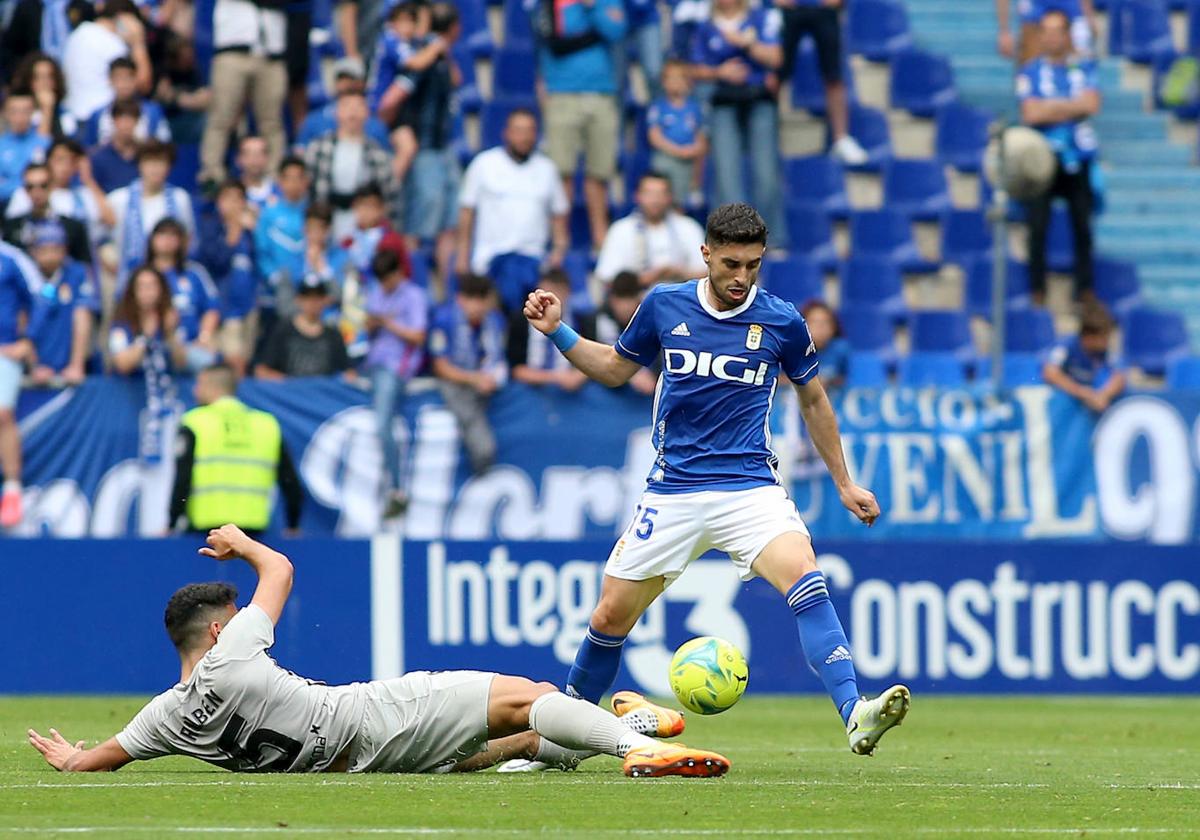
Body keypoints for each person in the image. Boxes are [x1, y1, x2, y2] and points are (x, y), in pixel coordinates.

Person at [512, 203, 908, 771]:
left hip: (749, 489)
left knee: (805, 576)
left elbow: (814, 399)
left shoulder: (781, 321)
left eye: (752, 265)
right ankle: (561, 741)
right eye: (730, 263)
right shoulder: (663, 305)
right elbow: (615, 369)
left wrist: (844, 483)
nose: (741, 277)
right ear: (706, 254)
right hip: (672, 491)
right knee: (607, 620)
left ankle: (855, 712)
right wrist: (559, 331)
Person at [27, 524, 729, 779]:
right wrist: (242, 545)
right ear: (216, 630)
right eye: (233, 615)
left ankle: (626, 725)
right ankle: (633, 748)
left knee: (515, 738)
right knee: (529, 694)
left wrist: (71, 758)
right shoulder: (233, 651)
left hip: (359, 765)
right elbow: (281, 573)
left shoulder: (165, 720)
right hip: (370, 717)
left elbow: (100, 758)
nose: (242, 619)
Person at [688, 0, 788, 249]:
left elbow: (776, 58)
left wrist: (748, 44)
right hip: (723, 100)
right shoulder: (705, 23)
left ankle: (772, 241)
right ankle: (730, 241)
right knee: (726, 174)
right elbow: (691, 68)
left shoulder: (761, 18)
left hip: (759, 98)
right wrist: (719, 73)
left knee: (766, 172)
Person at [1016, 9, 1100, 303]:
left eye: (1058, 31)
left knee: (1083, 228)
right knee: (1037, 227)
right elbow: (1029, 113)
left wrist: (1049, 108)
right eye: (1046, 31)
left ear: (1067, 35)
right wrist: (1070, 107)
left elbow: (1091, 104)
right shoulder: (1030, 71)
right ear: (1040, 36)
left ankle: (1084, 292)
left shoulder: (1084, 67)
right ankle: (1037, 290)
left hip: (1078, 158)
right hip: (1042, 160)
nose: (1052, 37)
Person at [532, 0, 626, 250]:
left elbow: (615, 31)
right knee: (562, 171)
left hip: (602, 93)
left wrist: (592, 7)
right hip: (562, 92)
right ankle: (561, 236)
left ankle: (600, 237)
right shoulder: (551, 3)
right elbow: (552, 39)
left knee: (599, 171)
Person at [456, 109, 570, 314]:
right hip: (490, 261)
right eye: (518, 130)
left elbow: (559, 215)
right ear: (506, 133)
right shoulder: (484, 164)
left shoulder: (547, 169)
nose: (524, 137)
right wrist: (463, 257)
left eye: (529, 131)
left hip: (534, 260)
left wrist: (558, 251)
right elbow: (467, 212)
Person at [169, 365, 303, 536]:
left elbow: (183, 478)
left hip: (205, 532)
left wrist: (172, 522)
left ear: (213, 387)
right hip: (253, 533)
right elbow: (290, 482)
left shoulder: (195, 422)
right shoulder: (267, 425)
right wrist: (293, 525)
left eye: (199, 384)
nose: (195, 390)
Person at [394, 2, 461, 276]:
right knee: (419, 222)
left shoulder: (441, 57)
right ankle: (415, 280)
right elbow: (395, 96)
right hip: (423, 147)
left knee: (450, 221)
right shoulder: (417, 53)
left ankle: (447, 287)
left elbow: (457, 79)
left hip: (442, 147)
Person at [365, 248, 428, 518]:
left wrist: (388, 323)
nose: (385, 285)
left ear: (399, 272)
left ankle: (397, 489)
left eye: (388, 279)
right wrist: (372, 323)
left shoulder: (414, 296)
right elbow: (367, 330)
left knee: (382, 424)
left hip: (395, 368)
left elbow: (418, 336)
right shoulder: (376, 292)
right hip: (370, 364)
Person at [199, 0, 287, 186]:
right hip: (232, 50)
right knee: (221, 117)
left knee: (271, 122)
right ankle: (212, 175)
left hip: (271, 52)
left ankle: (274, 177)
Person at [429, 272, 507, 475]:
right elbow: (440, 366)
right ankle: (483, 457)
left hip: (485, 384)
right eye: (472, 299)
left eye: (482, 299)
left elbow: (498, 360)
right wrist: (474, 379)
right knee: (479, 438)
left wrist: (491, 378)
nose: (478, 306)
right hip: (455, 382)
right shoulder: (444, 319)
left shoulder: (494, 321)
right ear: (460, 299)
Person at [774, 0, 867, 166]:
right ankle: (767, 137)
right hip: (790, 10)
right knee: (777, 74)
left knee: (834, 75)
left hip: (823, 8)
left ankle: (841, 139)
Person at [304, 91, 395, 239]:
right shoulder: (317, 149)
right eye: (347, 106)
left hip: (364, 226)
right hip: (326, 222)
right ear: (336, 112)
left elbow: (389, 197)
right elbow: (307, 190)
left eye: (358, 106)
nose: (352, 112)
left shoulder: (378, 154)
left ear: (367, 113)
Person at [594, 172, 707, 289]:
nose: (655, 200)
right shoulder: (620, 230)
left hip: (681, 300)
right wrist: (646, 278)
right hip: (636, 302)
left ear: (670, 197)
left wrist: (679, 273)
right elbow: (607, 277)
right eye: (649, 194)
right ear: (637, 196)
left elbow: (707, 273)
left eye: (660, 194)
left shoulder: (688, 227)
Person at [107, 140, 195, 283]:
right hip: (130, 277)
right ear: (140, 165)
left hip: (170, 277)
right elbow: (101, 239)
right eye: (150, 162)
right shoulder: (118, 199)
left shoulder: (180, 199)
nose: (155, 168)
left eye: (161, 162)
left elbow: (188, 238)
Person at [25, 220, 97, 386]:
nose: (50, 256)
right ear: (33, 251)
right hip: (33, 365)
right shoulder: (25, 274)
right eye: (44, 249)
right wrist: (34, 366)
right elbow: (21, 321)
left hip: (69, 365)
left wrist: (76, 365)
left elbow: (83, 317)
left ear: (65, 250)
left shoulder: (77, 273)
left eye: (56, 249)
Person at [145, 217, 221, 373]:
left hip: (189, 346)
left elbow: (212, 307)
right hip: (149, 345)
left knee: (210, 363)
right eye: (162, 234)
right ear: (152, 239)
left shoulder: (194, 273)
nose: (167, 240)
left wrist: (204, 337)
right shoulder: (141, 274)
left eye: (173, 235)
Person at [198, 181, 258, 377]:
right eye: (228, 198)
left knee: (243, 362)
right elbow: (218, 261)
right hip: (221, 307)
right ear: (218, 202)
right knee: (221, 361)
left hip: (247, 305)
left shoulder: (250, 232)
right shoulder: (210, 227)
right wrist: (234, 228)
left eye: (238, 199)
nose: (233, 204)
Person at [0, 240, 40, 529]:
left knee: (2, 412)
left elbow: (44, 295)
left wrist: (28, 340)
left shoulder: (12, 257)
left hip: (4, 350)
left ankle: (12, 488)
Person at [61, 0, 152, 123]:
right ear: (122, 19)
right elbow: (143, 85)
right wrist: (138, 43)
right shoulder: (113, 45)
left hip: (71, 116)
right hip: (100, 120)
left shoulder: (77, 34)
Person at [507, 268, 593, 392]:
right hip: (530, 391)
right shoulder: (521, 320)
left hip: (571, 393)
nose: (548, 301)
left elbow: (592, 360)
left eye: (556, 293)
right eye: (544, 294)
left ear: (567, 292)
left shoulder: (582, 321)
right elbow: (515, 368)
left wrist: (579, 376)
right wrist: (555, 378)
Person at [254, 273, 353, 380]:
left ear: (325, 300)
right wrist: (290, 383)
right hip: (291, 394)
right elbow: (262, 371)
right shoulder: (284, 331)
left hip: (321, 393)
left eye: (318, 298)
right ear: (298, 300)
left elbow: (349, 373)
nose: (313, 303)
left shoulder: (333, 335)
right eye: (308, 297)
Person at [2, 162, 92, 268]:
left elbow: (84, 266)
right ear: (25, 190)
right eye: (30, 187)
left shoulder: (72, 227)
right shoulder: (11, 227)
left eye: (43, 185)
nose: (36, 192)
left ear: (52, 186)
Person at [1042, 301, 1125, 412]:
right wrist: (1082, 392)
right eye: (1104, 338)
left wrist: (1104, 395)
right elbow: (1049, 372)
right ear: (1089, 337)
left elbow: (1120, 376)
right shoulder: (1066, 346)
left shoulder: (1103, 351)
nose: (1107, 342)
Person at [646, 60, 707, 209]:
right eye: (670, 78)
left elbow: (701, 138)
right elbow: (654, 136)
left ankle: (693, 191)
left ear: (688, 82)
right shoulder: (659, 106)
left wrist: (693, 150)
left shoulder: (694, 108)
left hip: (688, 160)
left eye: (680, 78)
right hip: (666, 157)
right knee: (662, 193)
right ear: (663, 82)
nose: (675, 83)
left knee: (679, 201)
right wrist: (677, 150)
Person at [295, 56, 392, 151]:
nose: (346, 83)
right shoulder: (314, 120)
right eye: (341, 78)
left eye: (352, 78)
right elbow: (300, 152)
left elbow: (385, 158)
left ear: (362, 83)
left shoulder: (375, 124)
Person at [253, 156, 309, 310]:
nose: (294, 184)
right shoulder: (268, 214)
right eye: (289, 178)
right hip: (276, 289)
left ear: (306, 181)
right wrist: (272, 276)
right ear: (280, 181)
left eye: (299, 178)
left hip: (308, 289)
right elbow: (261, 251)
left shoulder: (312, 213)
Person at [79, 57, 172, 148]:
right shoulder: (97, 115)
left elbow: (164, 145)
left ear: (136, 79)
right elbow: (89, 149)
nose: (124, 83)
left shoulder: (153, 112)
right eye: (118, 78)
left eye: (129, 77)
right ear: (110, 81)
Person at [594, 271, 658, 396]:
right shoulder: (602, 317)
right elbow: (607, 355)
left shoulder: (650, 316)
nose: (625, 307)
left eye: (629, 300)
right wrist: (633, 376)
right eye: (619, 301)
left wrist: (654, 375)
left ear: (639, 298)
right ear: (612, 299)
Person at [996, 0, 1095, 64]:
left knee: (1080, 61)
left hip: (1071, 7)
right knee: (1030, 60)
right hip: (1035, 7)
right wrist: (1004, 30)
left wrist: (1089, 18)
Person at [0, 91, 51, 211]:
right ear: (5, 113)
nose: (20, 116)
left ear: (33, 112)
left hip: (41, 203)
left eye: (25, 111)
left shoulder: (45, 142)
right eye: (14, 111)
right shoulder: (1, 145)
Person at [9, 52, 78, 139]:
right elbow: (38, 149)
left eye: (49, 77)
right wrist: (47, 109)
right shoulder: (19, 112)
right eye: (38, 77)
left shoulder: (66, 115)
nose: (44, 83)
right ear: (29, 82)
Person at [88, 100, 142, 194]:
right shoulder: (97, 156)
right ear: (113, 121)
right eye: (122, 119)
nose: (126, 125)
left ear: (137, 121)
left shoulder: (145, 154)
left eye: (131, 119)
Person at [801, 300, 849, 389]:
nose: (820, 328)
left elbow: (849, 379)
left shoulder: (841, 349)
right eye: (814, 322)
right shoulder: (793, 350)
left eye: (825, 322)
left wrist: (830, 382)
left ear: (833, 327)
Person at [235, 135, 279, 220]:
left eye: (260, 154)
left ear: (267, 157)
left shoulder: (281, 190)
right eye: (249, 154)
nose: (254, 160)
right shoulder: (232, 194)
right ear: (239, 159)